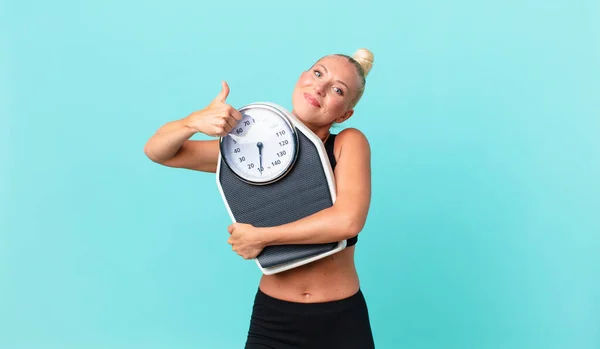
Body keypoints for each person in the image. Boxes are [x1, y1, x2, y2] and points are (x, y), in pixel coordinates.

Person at [144, 48, 376, 348]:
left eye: (337, 89)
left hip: (340, 321)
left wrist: (263, 237)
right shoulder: (249, 147)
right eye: (318, 73)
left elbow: (348, 221)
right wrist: (192, 122)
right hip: (274, 320)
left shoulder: (348, 143)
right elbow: (159, 152)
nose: (320, 87)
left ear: (344, 114)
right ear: (301, 78)